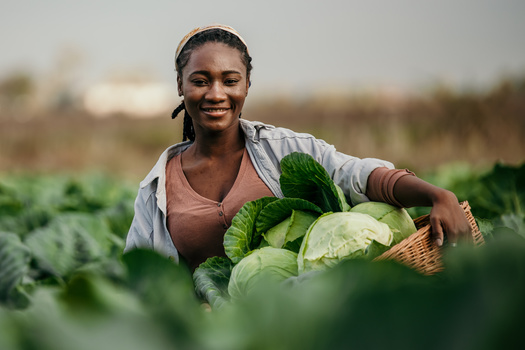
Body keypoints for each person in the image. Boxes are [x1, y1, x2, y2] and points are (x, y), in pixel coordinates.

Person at [124, 24, 471, 271]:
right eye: (200, 81)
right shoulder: (157, 189)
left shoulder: (285, 150)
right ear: (180, 86)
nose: (216, 94)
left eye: (230, 81)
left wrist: (439, 196)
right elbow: (142, 277)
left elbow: (358, 176)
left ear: (247, 85)